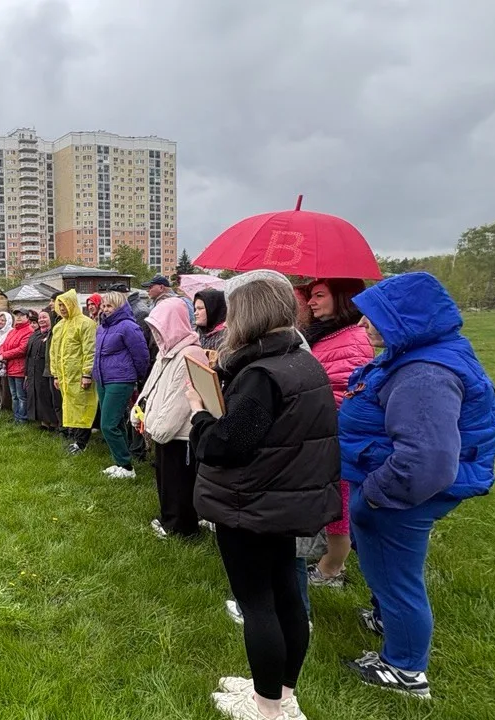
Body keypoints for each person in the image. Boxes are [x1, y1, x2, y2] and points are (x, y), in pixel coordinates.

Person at [339, 273, 495, 699]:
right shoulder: (416, 354)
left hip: (399, 498)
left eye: (374, 318)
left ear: (404, 321)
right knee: (387, 573)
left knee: (396, 579)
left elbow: (426, 460)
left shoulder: (424, 373)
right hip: (392, 490)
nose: (363, 326)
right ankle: (388, 621)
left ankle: (406, 669)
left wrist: (374, 495)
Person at [188, 275, 340, 720]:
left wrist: (200, 410)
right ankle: (281, 692)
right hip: (284, 497)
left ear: (247, 313)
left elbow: (224, 445)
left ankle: (267, 708)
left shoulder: (260, 375)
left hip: (251, 503)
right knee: (286, 595)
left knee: (259, 604)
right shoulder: (300, 360)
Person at [296, 278, 373, 589]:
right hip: (322, 433)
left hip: (338, 437)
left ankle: (332, 568)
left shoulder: (352, 339)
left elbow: (344, 395)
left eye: (319, 296)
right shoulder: (329, 333)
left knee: (338, 507)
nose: (312, 303)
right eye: (310, 296)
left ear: (343, 299)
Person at [134, 297, 208, 539]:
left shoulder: (191, 354)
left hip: (180, 433)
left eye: (160, 327)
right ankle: (169, 519)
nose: (157, 333)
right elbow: (152, 386)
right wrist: (139, 410)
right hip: (164, 432)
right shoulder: (168, 353)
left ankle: (183, 529)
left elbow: (181, 399)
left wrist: (157, 429)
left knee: (179, 483)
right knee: (166, 480)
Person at [93, 291, 150, 477]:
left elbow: (141, 355)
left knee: (107, 425)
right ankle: (121, 462)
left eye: (109, 306)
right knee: (116, 423)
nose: (105, 309)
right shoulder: (102, 327)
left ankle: (126, 466)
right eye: (103, 305)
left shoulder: (128, 326)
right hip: (103, 379)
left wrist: (137, 378)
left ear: (119, 306)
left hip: (120, 380)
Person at [50, 289, 97, 453]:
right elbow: (54, 352)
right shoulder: (59, 326)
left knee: (82, 407)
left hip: (78, 376)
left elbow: (90, 350)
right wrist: (55, 374)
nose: (62, 308)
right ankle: (75, 440)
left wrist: (87, 373)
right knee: (70, 407)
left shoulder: (86, 324)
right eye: (59, 305)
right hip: (64, 376)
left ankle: (82, 443)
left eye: (65, 305)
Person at [26, 309, 61, 430]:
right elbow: (29, 354)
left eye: (44, 317)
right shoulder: (35, 334)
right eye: (40, 318)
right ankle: (43, 421)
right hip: (34, 371)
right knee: (38, 396)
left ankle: (54, 422)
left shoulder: (53, 333)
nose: (41, 320)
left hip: (47, 370)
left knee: (48, 396)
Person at [0, 309, 34, 423]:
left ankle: (22, 418)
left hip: (20, 368)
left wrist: (5, 355)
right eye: (17, 315)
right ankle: (16, 416)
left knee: (21, 396)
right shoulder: (13, 331)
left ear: (27, 318)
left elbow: (22, 349)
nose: (18, 317)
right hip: (10, 368)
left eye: (21, 315)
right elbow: (3, 344)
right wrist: (1, 353)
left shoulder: (28, 331)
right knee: (14, 395)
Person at [0, 312, 14, 413]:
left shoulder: (11, 332)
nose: (0, 322)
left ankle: (6, 406)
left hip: (6, 362)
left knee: (5, 386)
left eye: (3, 320)